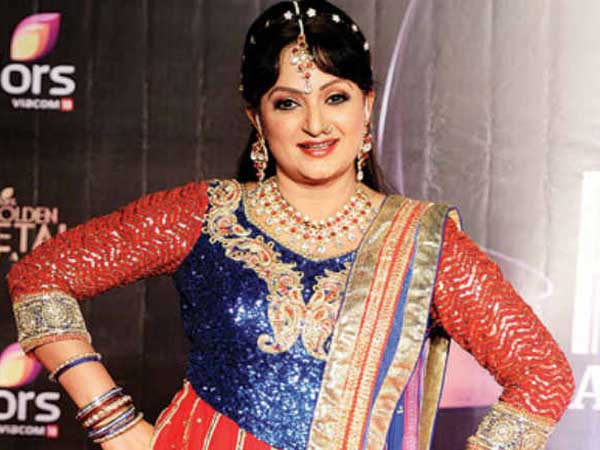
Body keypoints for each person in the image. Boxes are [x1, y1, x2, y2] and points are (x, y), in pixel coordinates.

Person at [6, 1, 574, 449]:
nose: (316, 124)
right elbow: (39, 277)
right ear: (256, 116)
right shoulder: (205, 214)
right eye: (287, 103)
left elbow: (543, 376)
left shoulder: (424, 244)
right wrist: (116, 424)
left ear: (366, 105)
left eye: (336, 97)